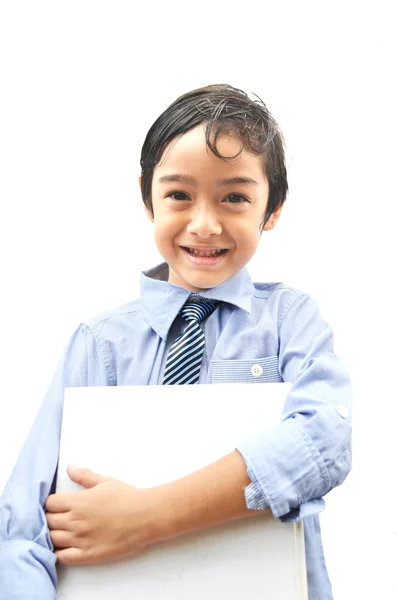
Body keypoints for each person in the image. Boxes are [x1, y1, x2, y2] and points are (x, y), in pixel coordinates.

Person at [0, 84, 352, 600]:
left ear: (272, 208)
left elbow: (323, 441)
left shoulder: (290, 322)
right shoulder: (98, 343)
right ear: (148, 196)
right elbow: (21, 528)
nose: (204, 224)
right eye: (179, 195)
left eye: (234, 197)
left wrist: (146, 518)